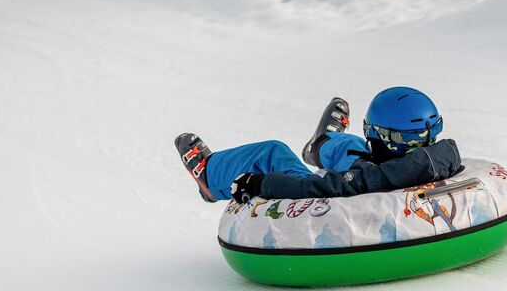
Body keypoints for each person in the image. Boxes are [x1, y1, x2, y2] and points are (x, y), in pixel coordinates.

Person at [174, 87, 462, 204]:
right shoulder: (444, 154)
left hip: (335, 196)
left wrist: (259, 183)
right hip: (381, 165)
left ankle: (211, 176)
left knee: (273, 151)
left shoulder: (373, 177)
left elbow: (320, 187)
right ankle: (322, 144)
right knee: (355, 149)